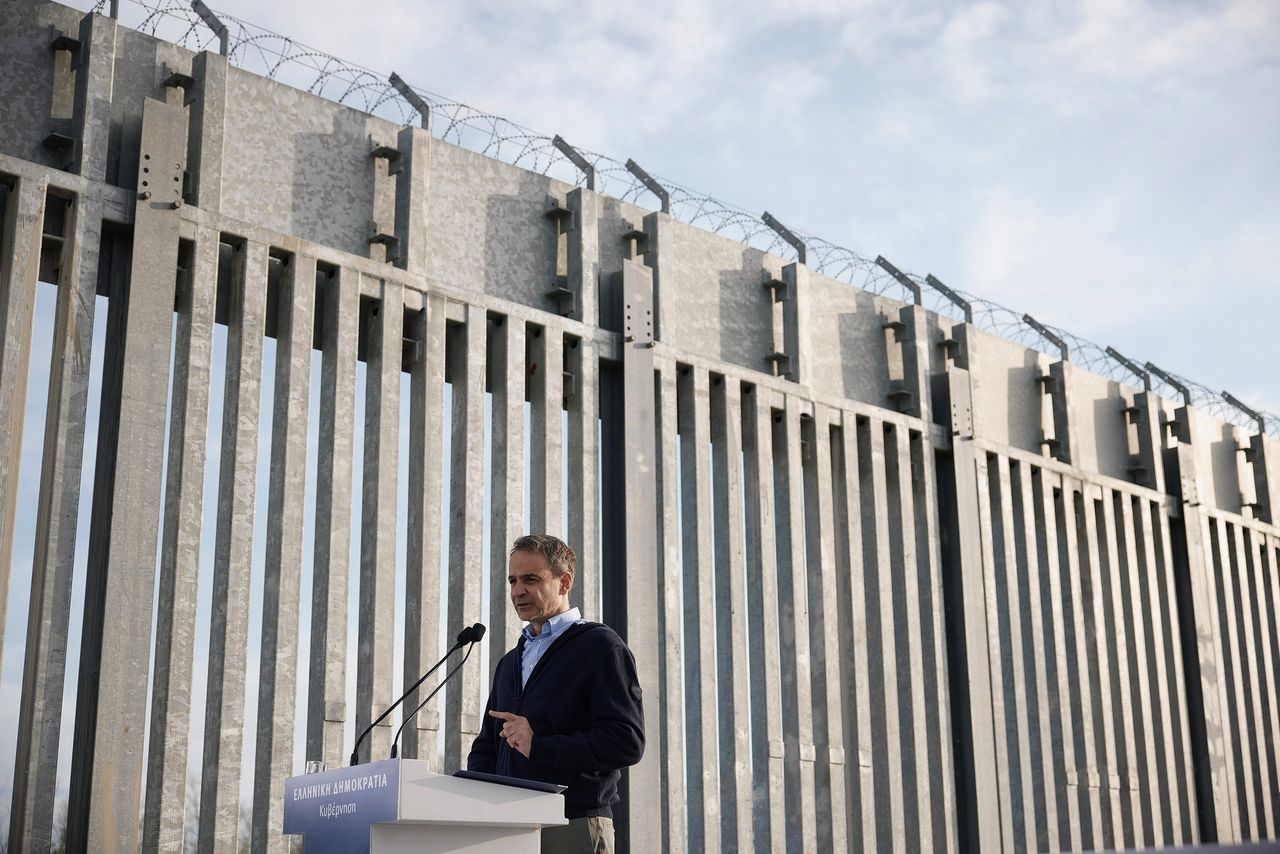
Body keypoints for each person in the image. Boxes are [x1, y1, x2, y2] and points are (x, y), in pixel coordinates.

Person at [467, 534, 644, 854]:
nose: (518, 590)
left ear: (564, 582)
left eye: (530, 579)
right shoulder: (510, 663)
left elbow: (626, 741)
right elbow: (487, 746)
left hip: (572, 826)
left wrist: (540, 745)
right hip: (509, 829)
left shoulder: (600, 646)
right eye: (513, 580)